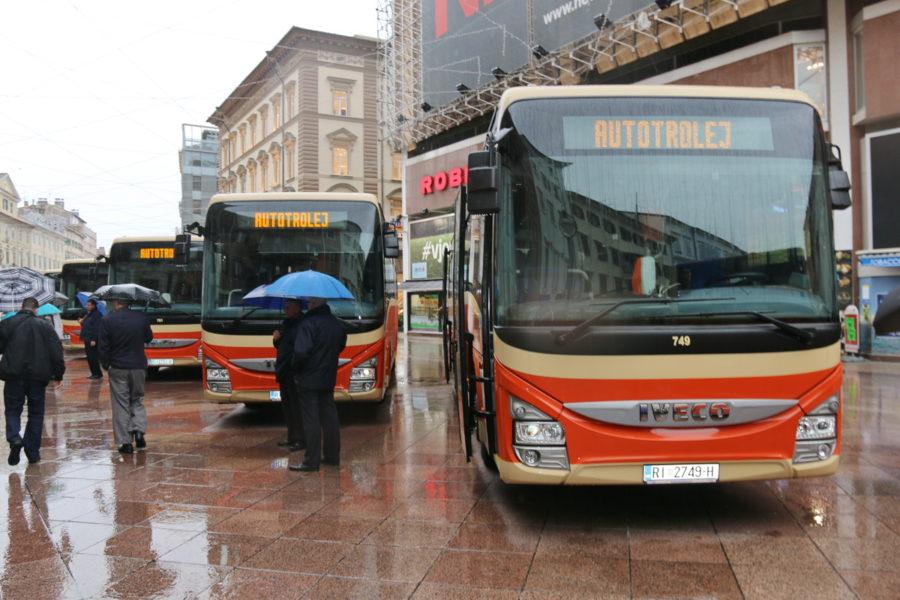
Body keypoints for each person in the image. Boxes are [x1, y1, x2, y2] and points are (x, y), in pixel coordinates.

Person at [0, 297, 65, 465]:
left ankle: (14, 438)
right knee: (36, 413)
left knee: (12, 410)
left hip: (14, 374)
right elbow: (56, 351)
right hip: (38, 376)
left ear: (21, 307)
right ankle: (32, 451)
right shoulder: (45, 325)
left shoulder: (8, 323)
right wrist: (58, 375)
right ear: (36, 309)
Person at [289, 297, 347, 472]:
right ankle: (332, 456)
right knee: (330, 417)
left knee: (311, 419)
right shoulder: (336, 324)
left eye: (309, 302)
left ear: (314, 304)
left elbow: (300, 352)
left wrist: (295, 369)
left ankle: (311, 461)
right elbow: (340, 345)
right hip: (328, 377)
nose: (307, 305)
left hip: (308, 378)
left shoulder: (308, 324)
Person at [98, 297, 153, 454]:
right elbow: (149, 338)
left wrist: (106, 365)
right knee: (137, 399)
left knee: (121, 404)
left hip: (118, 367)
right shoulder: (141, 317)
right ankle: (139, 431)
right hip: (138, 366)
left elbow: (103, 347)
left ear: (116, 302)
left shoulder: (107, 319)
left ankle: (125, 442)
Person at [273, 298, 305, 451]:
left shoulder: (302, 324)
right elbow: (282, 346)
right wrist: (276, 340)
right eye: (285, 307)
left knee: (297, 407)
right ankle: (291, 436)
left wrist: (294, 366)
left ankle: (300, 439)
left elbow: (299, 348)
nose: (285, 310)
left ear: (297, 308)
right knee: (287, 407)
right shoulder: (287, 323)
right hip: (284, 371)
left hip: (294, 372)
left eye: (288, 307)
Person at [80, 298, 103, 380]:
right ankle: (94, 373)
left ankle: (97, 374)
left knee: (93, 357)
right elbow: (86, 325)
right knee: (89, 357)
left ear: (93, 306)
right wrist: (82, 322)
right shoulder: (89, 314)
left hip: (92, 339)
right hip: (87, 338)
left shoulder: (97, 315)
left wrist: (94, 339)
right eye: (87, 305)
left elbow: (97, 328)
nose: (87, 306)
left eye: (89, 305)